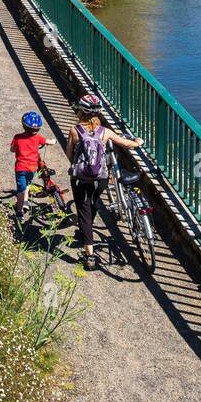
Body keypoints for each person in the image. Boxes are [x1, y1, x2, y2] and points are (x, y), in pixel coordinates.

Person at [67, 92, 143, 269]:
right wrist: (138, 142)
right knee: (92, 203)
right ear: (98, 113)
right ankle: (87, 232)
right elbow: (127, 144)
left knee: (83, 211)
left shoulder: (75, 130)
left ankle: (90, 256)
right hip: (100, 178)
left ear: (81, 111)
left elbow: (69, 154)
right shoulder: (105, 132)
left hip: (80, 178)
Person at [10, 111, 46, 222]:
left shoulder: (17, 137)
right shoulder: (38, 137)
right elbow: (46, 142)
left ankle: (19, 212)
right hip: (32, 168)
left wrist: (18, 148)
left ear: (23, 125)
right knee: (28, 184)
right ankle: (25, 202)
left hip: (20, 168)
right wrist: (53, 141)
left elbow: (12, 149)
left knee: (20, 189)